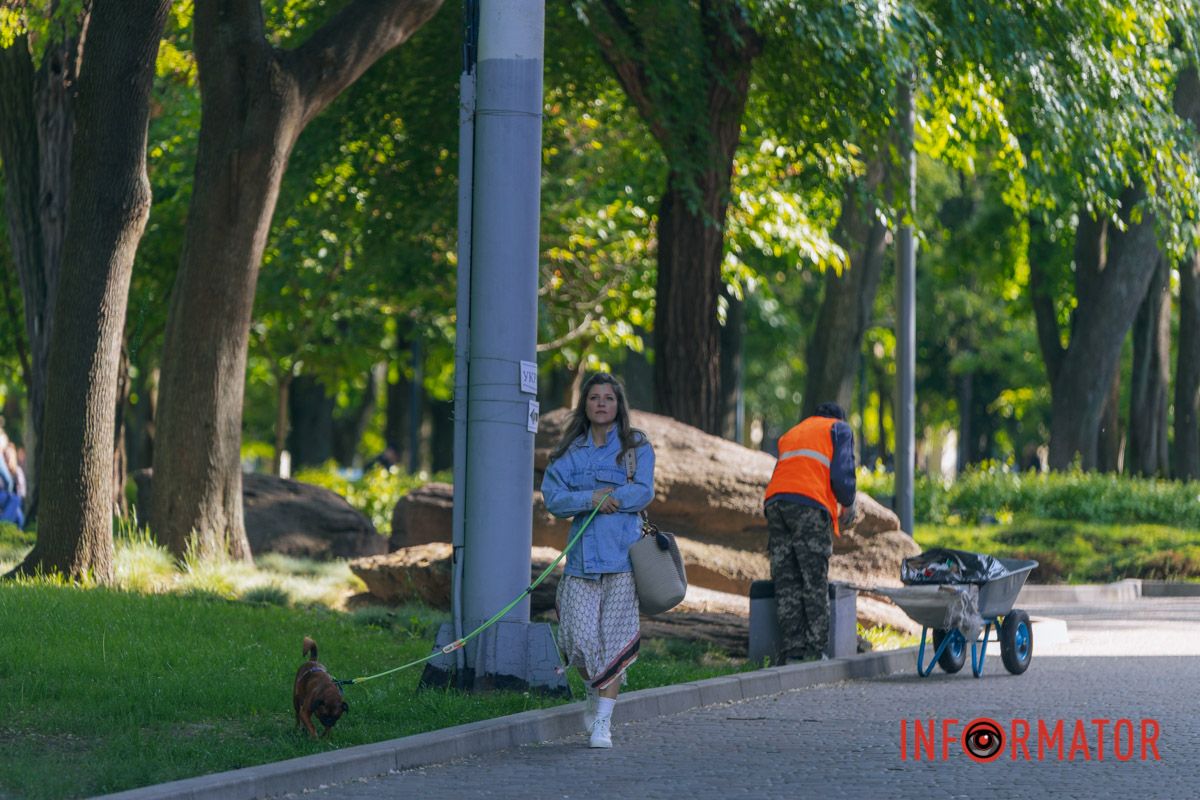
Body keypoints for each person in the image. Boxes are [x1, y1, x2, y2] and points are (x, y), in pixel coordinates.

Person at [540, 372, 654, 749]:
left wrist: (615, 498)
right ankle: (595, 692)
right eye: (594, 398)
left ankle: (603, 722)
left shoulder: (635, 446)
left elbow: (644, 491)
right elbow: (554, 497)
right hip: (581, 563)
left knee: (615, 642)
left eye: (609, 397)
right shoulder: (571, 452)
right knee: (579, 639)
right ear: (585, 406)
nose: (602, 403)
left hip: (623, 560)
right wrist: (590, 498)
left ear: (619, 404)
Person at [762, 402, 856, 664]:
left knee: (786, 577)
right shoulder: (839, 429)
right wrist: (848, 503)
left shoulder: (793, 432)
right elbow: (842, 475)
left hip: (775, 502)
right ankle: (816, 651)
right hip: (808, 504)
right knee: (813, 577)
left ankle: (793, 648)